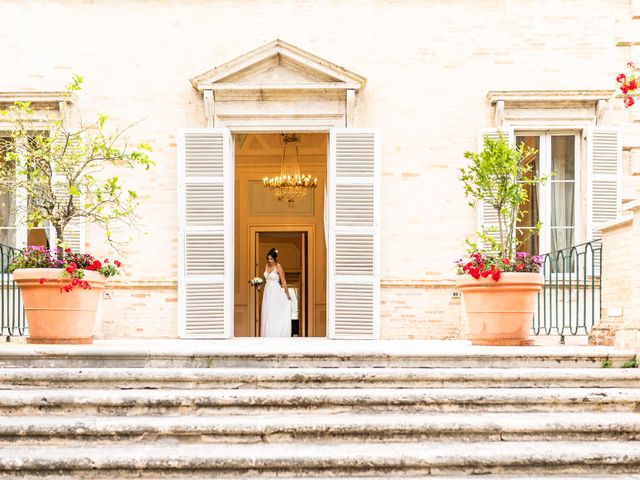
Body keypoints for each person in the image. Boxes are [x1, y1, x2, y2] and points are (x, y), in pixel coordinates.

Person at [260, 248, 292, 337]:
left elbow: (284, 282)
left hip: (275, 291)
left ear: (275, 258)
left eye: (271, 259)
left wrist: (288, 295)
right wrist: (258, 283)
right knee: (267, 312)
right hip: (267, 291)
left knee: (274, 311)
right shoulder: (266, 266)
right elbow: (265, 279)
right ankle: (268, 334)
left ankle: (277, 333)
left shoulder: (278, 267)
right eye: (268, 259)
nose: (269, 261)